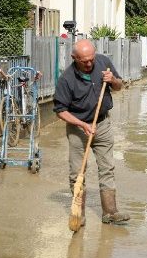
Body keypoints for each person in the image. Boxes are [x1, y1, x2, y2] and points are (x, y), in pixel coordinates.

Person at [54, 39, 130, 225]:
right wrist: (82, 125)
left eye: (91, 59)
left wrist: (112, 80)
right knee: (77, 172)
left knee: (107, 168)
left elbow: (120, 86)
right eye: (84, 61)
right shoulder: (66, 79)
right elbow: (60, 111)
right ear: (74, 58)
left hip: (102, 124)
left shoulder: (103, 62)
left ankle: (110, 212)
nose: (89, 64)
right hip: (78, 128)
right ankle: (78, 214)